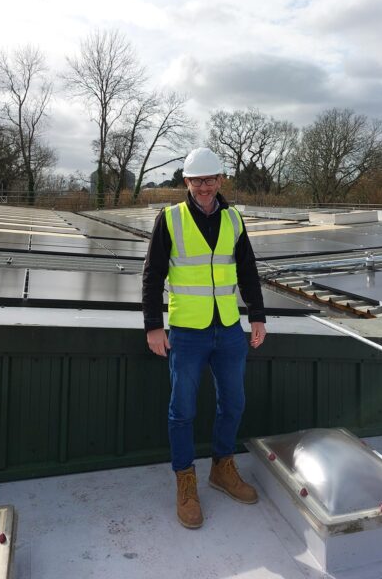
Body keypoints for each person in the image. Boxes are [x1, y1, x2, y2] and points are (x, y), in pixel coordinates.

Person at [142, 146, 266, 529]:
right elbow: (152, 274)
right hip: (187, 332)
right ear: (187, 182)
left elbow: (247, 270)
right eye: (197, 180)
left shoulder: (233, 220)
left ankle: (222, 468)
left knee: (234, 403)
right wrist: (153, 326)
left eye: (210, 179)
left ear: (220, 180)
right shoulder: (171, 219)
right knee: (183, 411)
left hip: (228, 328)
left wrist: (257, 317)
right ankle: (185, 481)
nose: (205, 186)